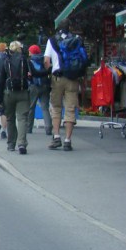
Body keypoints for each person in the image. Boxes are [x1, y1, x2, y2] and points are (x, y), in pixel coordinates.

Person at [44, 20, 86, 151]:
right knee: (70, 108)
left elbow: (46, 60)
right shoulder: (76, 40)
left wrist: (49, 70)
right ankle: (68, 140)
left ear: (58, 28)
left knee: (56, 107)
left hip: (57, 78)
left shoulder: (52, 41)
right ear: (70, 27)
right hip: (72, 78)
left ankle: (56, 137)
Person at [0, 40, 31, 154]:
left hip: (9, 93)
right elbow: (32, 74)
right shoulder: (25, 60)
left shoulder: (6, 61)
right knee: (22, 118)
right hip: (23, 92)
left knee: (10, 118)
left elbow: (1, 80)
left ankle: (11, 143)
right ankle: (22, 144)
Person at [26, 44, 53, 137]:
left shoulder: (29, 61)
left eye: (29, 51)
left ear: (32, 52)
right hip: (45, 85)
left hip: (34, 85)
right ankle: (49, 128)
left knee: (31, 107)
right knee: (45, 107)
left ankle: (28, 128)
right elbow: (49, 70)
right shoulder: (44, 60)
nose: (28, 52)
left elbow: (31, 73)